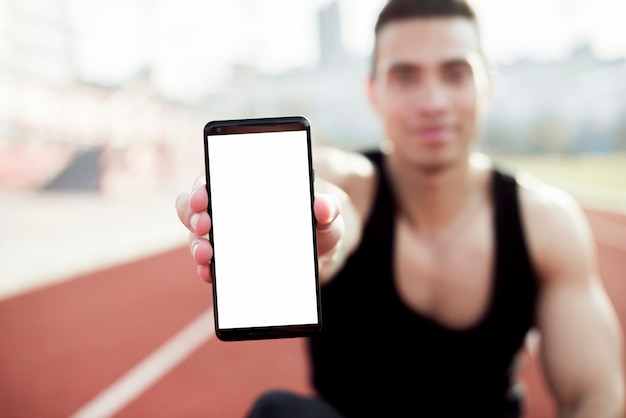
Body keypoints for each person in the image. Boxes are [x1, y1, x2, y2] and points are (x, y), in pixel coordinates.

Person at [175, 0, 624, 416]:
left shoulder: (546, 222)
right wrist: (308, 224)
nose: (432, 103)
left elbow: (594, 395)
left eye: (455, 74)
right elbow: (328, 194)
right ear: (374, 92)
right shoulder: (354, 184)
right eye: (406, 77)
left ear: (487, 84)